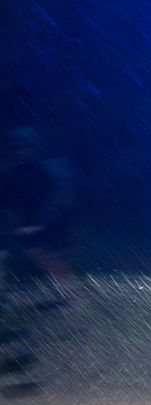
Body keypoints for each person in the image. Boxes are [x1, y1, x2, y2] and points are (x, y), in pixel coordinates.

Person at [0, 126, 81, 307]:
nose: (20, 150)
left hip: (55, 220)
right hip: (35, 220)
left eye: (24, 146)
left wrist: (40, 224)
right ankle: (63, 295)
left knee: (47, 254)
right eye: (16, 146)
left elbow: (62, 197)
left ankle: (71, 297)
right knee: (31, 252)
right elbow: (5, 196)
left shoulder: (48, 167)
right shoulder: (17, 171)